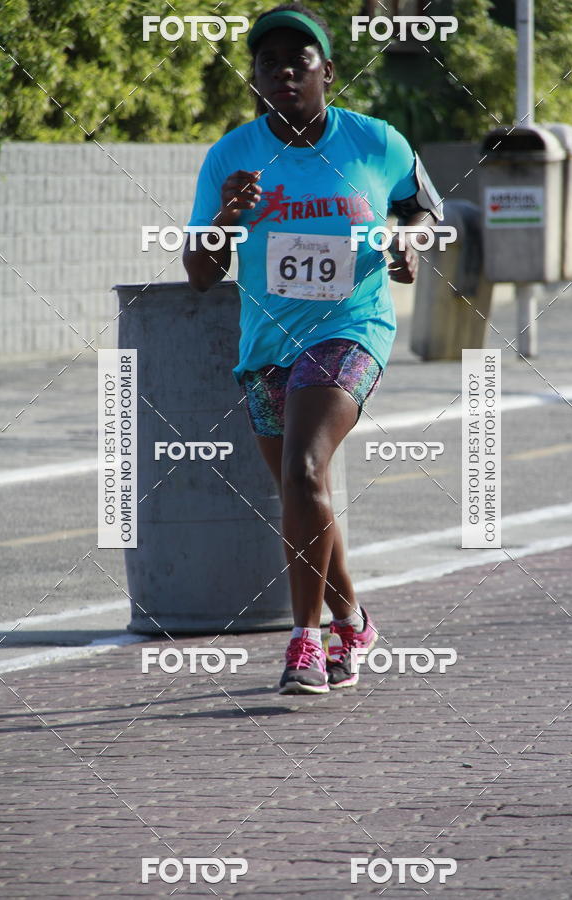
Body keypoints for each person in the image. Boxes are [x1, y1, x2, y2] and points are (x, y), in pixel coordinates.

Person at [183, 2, 441, 695]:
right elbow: (201, 274)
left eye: (299, 62)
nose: (284, 73)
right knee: (304, 492)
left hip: (351, 328)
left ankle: (305, 643)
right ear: (257, 80)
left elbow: (424, 205)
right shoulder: (231, 156)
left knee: (302, 469)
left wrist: (408, 243)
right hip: (267, 345)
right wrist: (223, 219)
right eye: (269, 63)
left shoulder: (375, 142)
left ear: (327, 71)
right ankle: (354, 618)